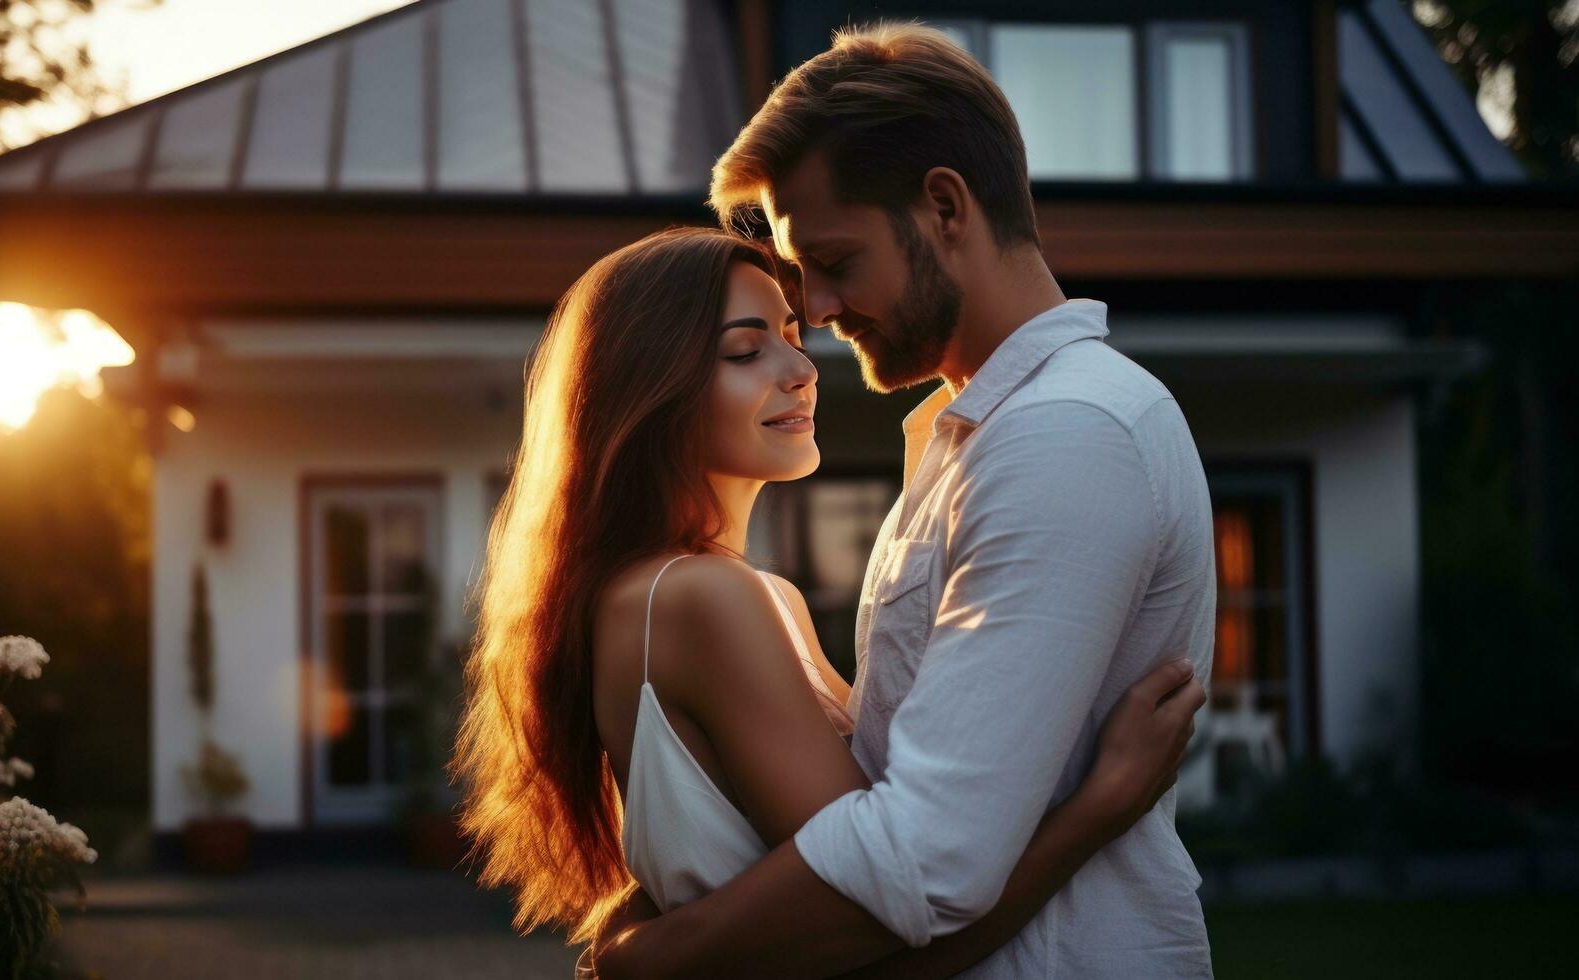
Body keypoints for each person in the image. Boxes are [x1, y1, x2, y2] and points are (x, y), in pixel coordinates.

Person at [590, 22, 1219, 979]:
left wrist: (656, 956)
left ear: (943, 207)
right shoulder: (974, 438)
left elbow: (927, 860)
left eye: (835, 262)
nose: (820, 315)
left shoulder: (1066, 434)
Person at [450, 223, 1205, 979]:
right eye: (746, 352)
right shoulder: (696, 597)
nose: (801, 368)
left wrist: (643, 939)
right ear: (648, 390)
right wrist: (1100, 808)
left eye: (789, 335)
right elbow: (892, 923)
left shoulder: (748, 595)